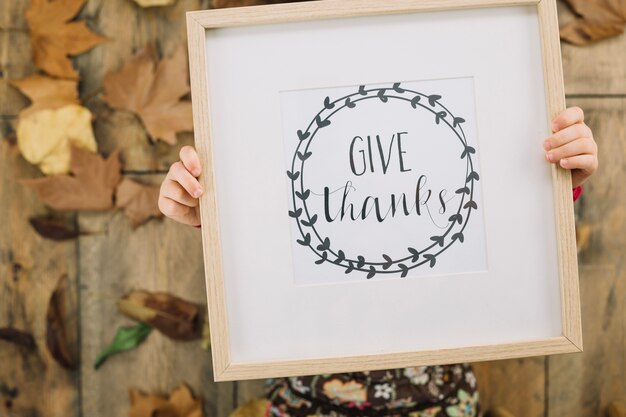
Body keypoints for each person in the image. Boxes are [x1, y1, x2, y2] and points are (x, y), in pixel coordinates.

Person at [158, 106, 598, 417]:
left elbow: (506, 233)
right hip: (305, 399)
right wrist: (210, 213)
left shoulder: (447, 147)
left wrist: (555, 181)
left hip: (437, 397)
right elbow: (260, 239)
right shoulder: (287, 135)